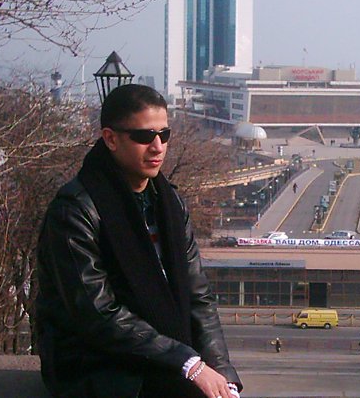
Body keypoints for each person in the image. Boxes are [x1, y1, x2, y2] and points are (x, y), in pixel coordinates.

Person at [35, 84, 242, 398]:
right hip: (93, 362)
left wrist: (222, 373)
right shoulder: (75, 210)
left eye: (164, 135)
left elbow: (198, 296)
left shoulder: (170, 203)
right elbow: (97, 313)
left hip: (161, 352)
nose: (157, 147)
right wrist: (187, 363)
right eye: (144, 136)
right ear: (110, 138)